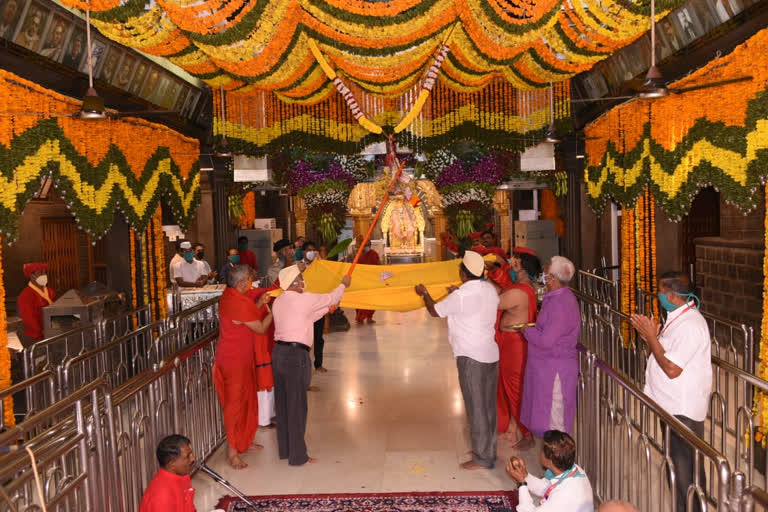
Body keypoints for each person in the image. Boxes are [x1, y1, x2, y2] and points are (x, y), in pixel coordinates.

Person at [630, 271, 711, 512]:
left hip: (682, 410)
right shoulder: (676, 317)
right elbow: (662, 353)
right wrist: (650, 338)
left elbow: (672, 368)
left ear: (673, 295)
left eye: (660, 292)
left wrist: (652, 337)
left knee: (686, 475)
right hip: (670, 405)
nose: (658, 297)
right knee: (677, 472)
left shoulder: (692, 325)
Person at [415, 251, 499, 470]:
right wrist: (456, 293)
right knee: (488, 406)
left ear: (463, 273)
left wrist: (424, 293)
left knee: (476, 407)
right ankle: (488, 450)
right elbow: (471, 305)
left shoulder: (461, 296)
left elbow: (435, 311)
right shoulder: (489, 289)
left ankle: (482, 457)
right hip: (490, 354)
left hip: (471, 357)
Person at [272, 264, 350, 465]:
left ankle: (287, 450)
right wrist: (343, 285)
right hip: (295, 357)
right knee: (297, 406)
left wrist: (326, 309)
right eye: (300, 278)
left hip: (279, 354)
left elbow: (308, 315)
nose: (303, 281)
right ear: (294, 283)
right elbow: (331, 297)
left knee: (283, 405)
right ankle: (298, 457)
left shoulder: (279, 301)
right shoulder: (303, 299)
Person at [214, 264, 273, 469]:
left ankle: (243, 441)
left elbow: (243, 318)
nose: (252, 282)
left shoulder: (230, 296)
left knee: (246, 401)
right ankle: (232, 451)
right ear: (240, 283)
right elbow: (260, 327)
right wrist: (274, 312)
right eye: (249, 279)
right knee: (234, 406)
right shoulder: (236, 302)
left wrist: (258, 303)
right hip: (233, 362)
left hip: (241, 358)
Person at [520, 256, 580, 438]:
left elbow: (547, 341)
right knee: (545, 418)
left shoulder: (561, 304)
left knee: (554, 423)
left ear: (552, 278)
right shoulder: (555, 297)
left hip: (555, 370)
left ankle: (559, 464)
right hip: (546, 366)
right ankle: (552, 462)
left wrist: (526, 330)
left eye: (545, 272)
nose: (543, 276)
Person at [485, 260, 537, 447]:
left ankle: (527, 434)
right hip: (511, 341)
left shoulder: (516, 293)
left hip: (514, 345)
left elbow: (493, 302)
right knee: (508, 388)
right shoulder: (526, 287)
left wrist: (478, 285)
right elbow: (514, 283)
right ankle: (511, 430)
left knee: (514, 388)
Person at [506, 430, 593, 512]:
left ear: (550, 460)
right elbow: (545, 488)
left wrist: (521, 483)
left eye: (542, 450)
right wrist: (525, 476)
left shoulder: (564, 495)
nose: (540, 453)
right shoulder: (571, 469)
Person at [138, 434, 196, 512]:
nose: (193, 458)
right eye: (188, 456)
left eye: (191, 454)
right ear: (171, 463)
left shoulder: (183, 475)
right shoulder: (161, 496)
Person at [299, 241, 328, 374]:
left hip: (317, 308)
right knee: (303, 338)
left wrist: (320, 261)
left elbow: (326, 278)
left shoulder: (319, 265)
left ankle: (318, 364)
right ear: (303, 252)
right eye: (308, 250)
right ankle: (304, 365)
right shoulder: (298, 266)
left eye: (313, 250)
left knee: (318, 338)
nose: (310, 252)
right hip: (303, 309)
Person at [17, 262, 56, 343]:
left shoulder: (50, 291)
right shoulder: (25, 295)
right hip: (36, 336)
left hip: (52, 332)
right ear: (32, 276)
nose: (44, 275)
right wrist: (41, 333)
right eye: (40, 273)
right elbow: (29, 319)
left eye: (45, 272)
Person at [355, 239, 380, 325]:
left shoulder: (374, 254)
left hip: (371, 281)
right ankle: (360, 318)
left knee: (371, 300)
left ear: (370, 245)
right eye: (365, 245)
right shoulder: (358, 254)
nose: (366, 247)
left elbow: (378, 265)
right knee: (360, 300)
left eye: (368, 245)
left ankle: (369, 317)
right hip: (361, 281)